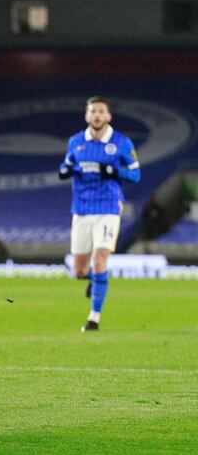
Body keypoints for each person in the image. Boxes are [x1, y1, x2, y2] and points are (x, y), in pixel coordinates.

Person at [59, 96, 140, 332]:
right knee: (80, 271)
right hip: (82, 208)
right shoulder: (76, 142)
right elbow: (66, 166)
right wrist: (64, 170)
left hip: (108, 207)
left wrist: (112, 171)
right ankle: (96, 282)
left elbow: (135, 175)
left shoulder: (121, 143)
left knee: (100, 260)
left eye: (101, 111)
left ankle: (93, 318)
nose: (97, 115)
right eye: (93, 111)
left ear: (108, 116)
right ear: (86, 116)